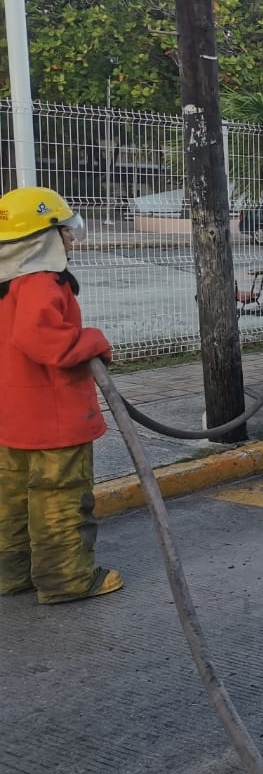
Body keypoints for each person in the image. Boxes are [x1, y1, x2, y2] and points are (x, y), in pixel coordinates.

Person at [0, 187, 123, 604]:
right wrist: (93, 341)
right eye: (65, 232)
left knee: (13, 498)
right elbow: (44, 341)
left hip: (12, 417)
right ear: (43, 238)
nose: (71, 240)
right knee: (59, 498)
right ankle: (67, 580)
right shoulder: (40, 283)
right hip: (52, 419)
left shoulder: (5, 284)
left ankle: (12, 574)